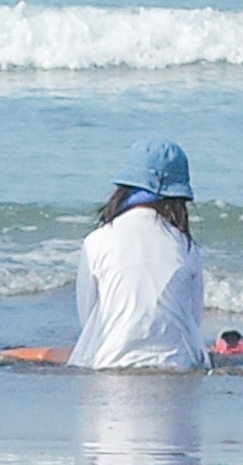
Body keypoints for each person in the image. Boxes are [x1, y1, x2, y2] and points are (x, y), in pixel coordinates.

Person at [68, 142, 210, 370]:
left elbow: (88, 318)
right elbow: (194, 319)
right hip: (177, 366)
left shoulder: (97, 241)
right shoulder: (187, 247)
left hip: (110, 365)